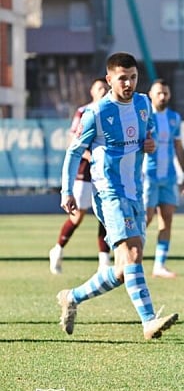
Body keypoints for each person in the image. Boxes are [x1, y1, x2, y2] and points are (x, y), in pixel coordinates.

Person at [56, 52, 178, 340]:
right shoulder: (96, 113)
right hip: (109, 192)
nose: (129, 83)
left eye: (133, 77)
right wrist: (67, 190)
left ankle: (71, 296)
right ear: (109, 79)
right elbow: (73, 153)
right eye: (123, 78)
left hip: (136, 190)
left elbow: (147, 139)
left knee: (124, 269)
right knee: (133, 252)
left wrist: (148, 144)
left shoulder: (143, 103)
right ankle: (149, 321)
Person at [49, 78, 113, 274]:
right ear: (92, 91)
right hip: (84, 173)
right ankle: (57, 250)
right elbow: (73, 142)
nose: (102, 91)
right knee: (77, 216)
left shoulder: (112, 110)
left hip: (105, 173)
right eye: (99, 88)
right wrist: (93, 155)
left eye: (105, 88)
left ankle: (104, 261)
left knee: (106, 217)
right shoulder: (84, 111)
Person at [144, 79, 184, 278]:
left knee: (167, 220)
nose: (163, 97)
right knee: (144, 220)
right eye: (159, 93)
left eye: (166, 93)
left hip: (169, 177)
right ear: (151, 95)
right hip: (148, 176)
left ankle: (159, 265)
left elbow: (179, 147)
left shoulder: (174, 118)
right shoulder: (144, 116)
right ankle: (130, 260)